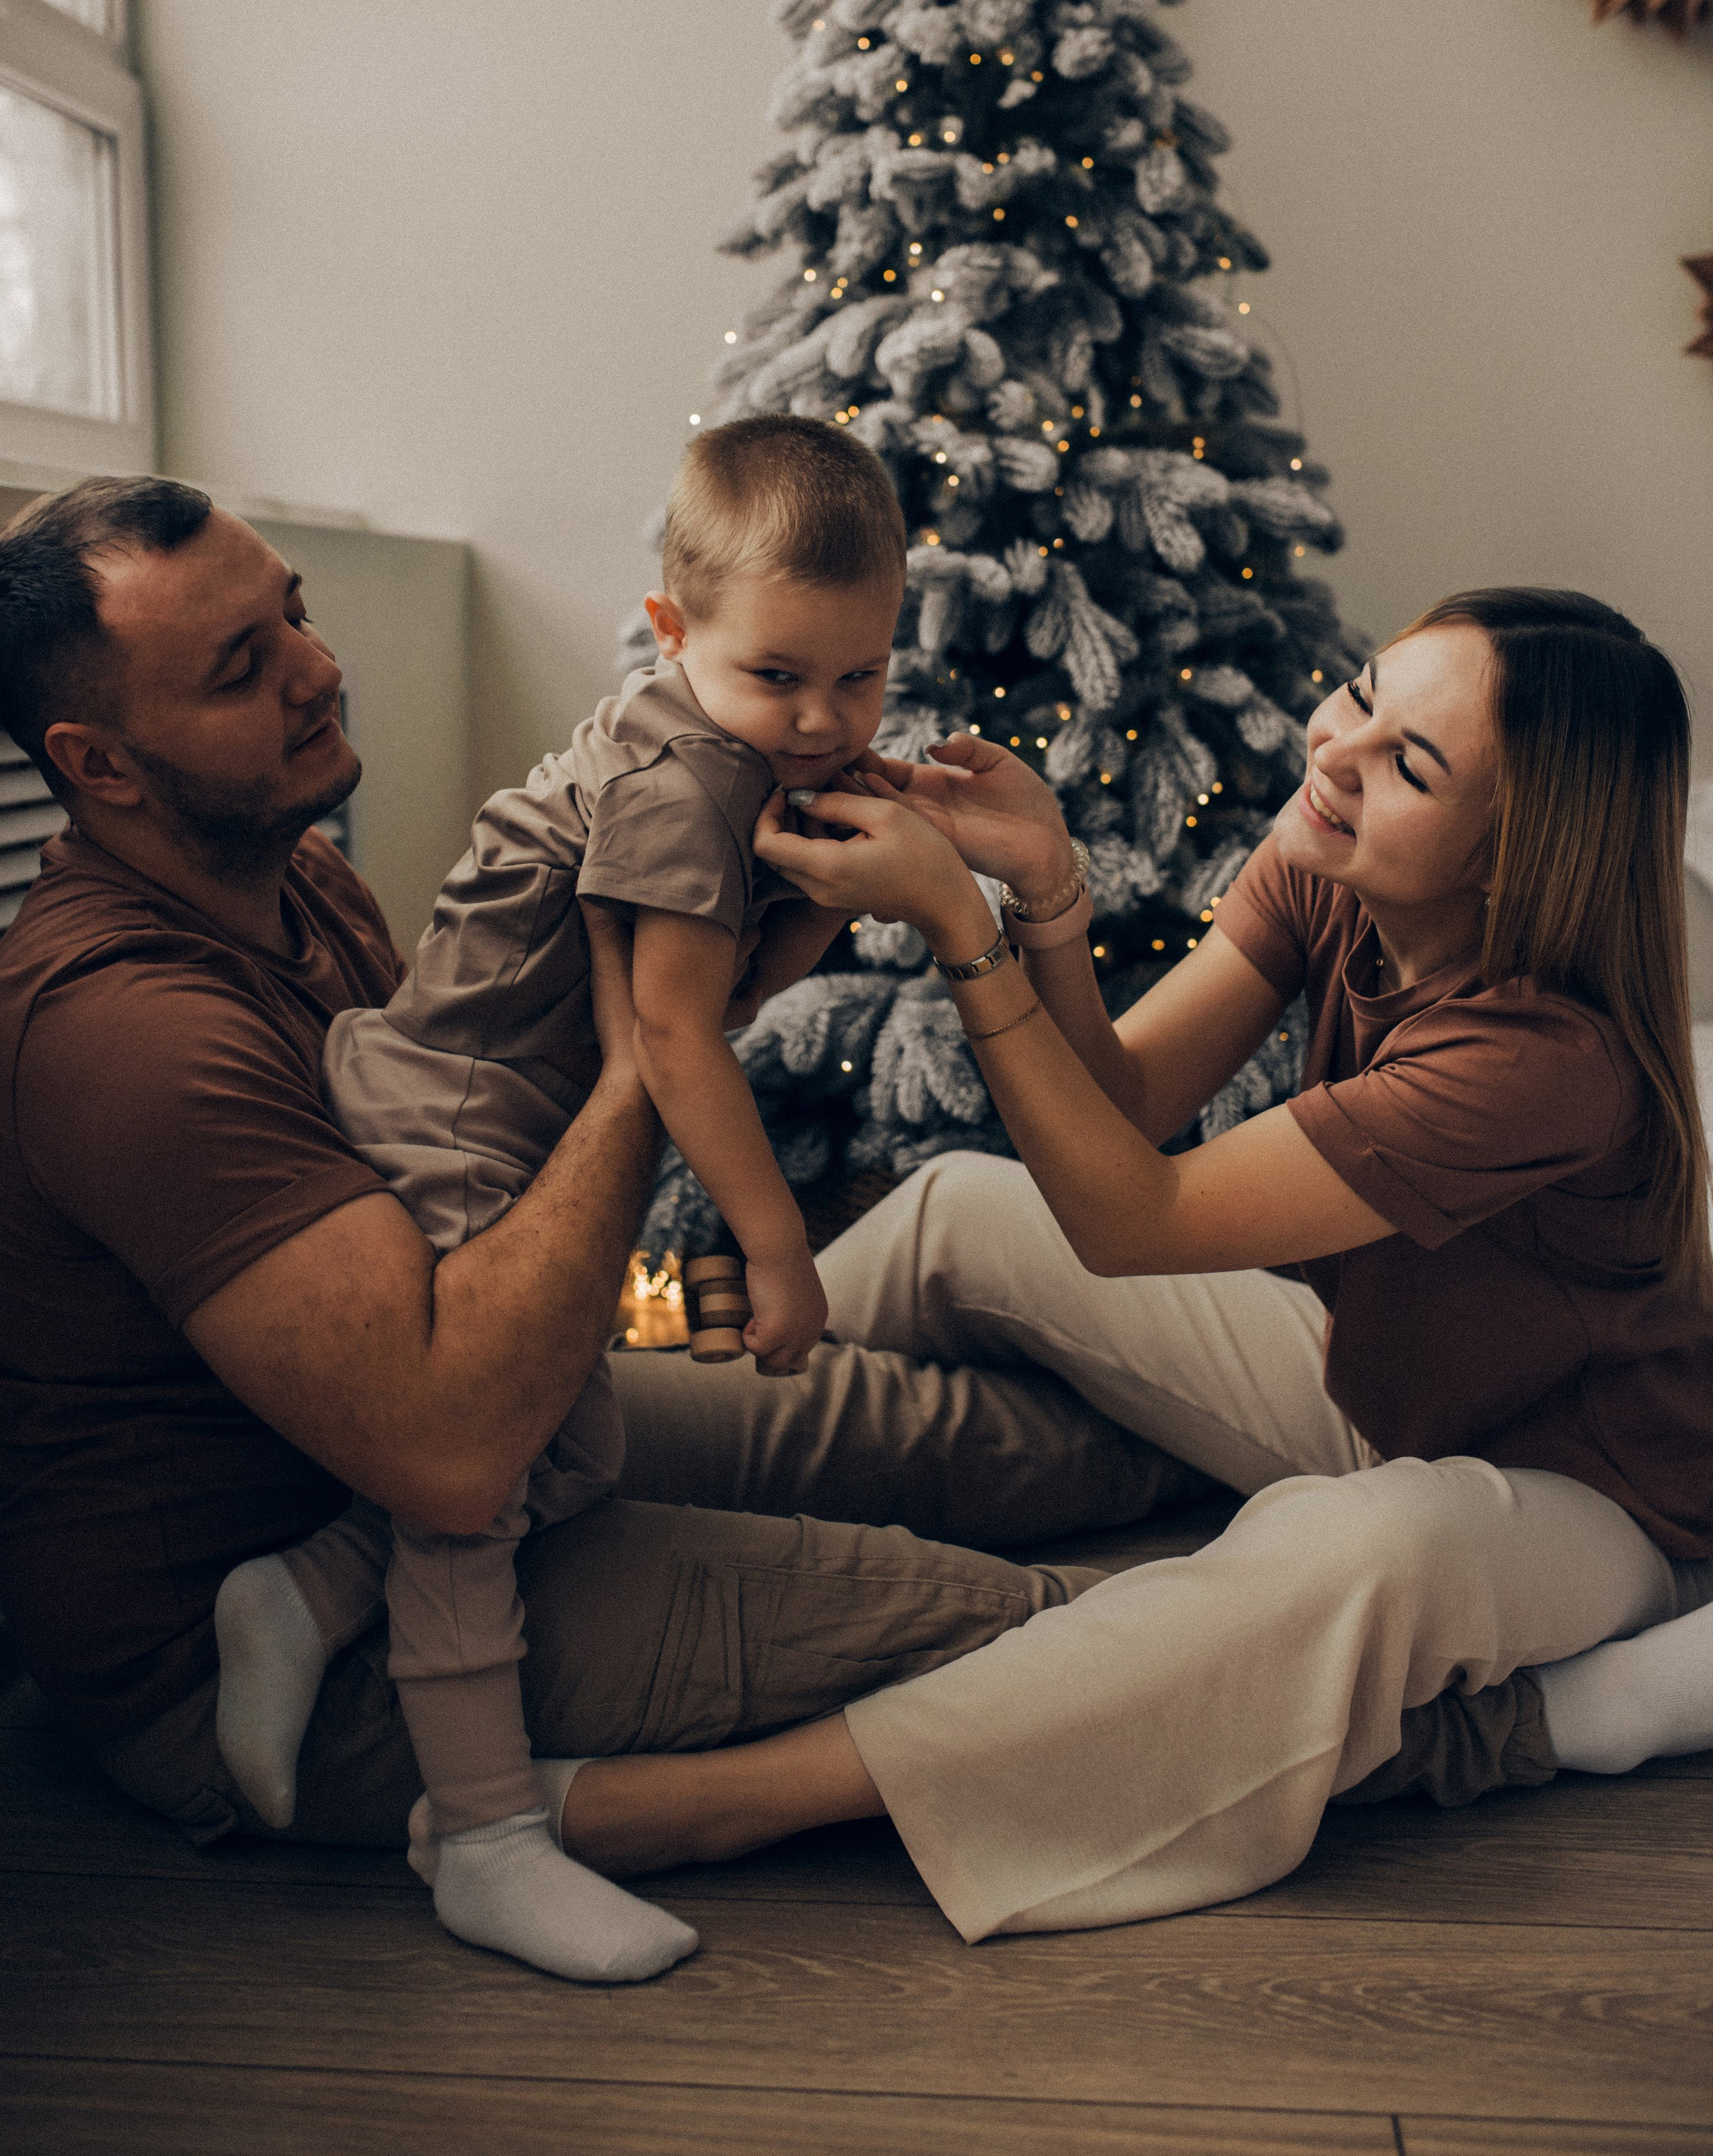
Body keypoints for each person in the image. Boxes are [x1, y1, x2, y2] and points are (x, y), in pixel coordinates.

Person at [0, 475, 1194, 1974]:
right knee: (1027, 1626)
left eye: (294, 612)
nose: (316, 667)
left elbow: (480, 1187)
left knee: (952, 1434)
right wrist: (657, 1072)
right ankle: (1459, 1695)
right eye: (240, 666)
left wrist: (829, 940)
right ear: (99, 763)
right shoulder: (126, 1037)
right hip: (262, 1636)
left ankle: (1299, 1449)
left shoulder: (301, 881)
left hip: (462, 1422)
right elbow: (453, 1447)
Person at [487, 588, 1713, 1942]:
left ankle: (722, 1801)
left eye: (1408, 768)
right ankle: (609, 1346)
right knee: (958, 1204)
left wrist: (966, 928)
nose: (1333, 757)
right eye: (1360, 699)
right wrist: (1048, 893)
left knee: (1362, 1544)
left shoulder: (1539, 1063)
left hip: (1590, 1498)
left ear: (1517, 853)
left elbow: (1130, 1221)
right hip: (1358, 1389)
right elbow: (1124, 1103)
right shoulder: (1331, 867)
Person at [212, 416, 909, 1980]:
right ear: (673, 633)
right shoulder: (680, 783)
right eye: (778, 676)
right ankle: (485, 1837)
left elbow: (721, 984)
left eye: (857, 675)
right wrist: (774, 1251)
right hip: (461, 1126)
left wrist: (831, 885)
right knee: (471, 1497)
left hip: (502, 1120)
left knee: (578, 1446)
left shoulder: (723, 753)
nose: (818, 718)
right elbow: (669, 1035)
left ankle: (309, 1587)